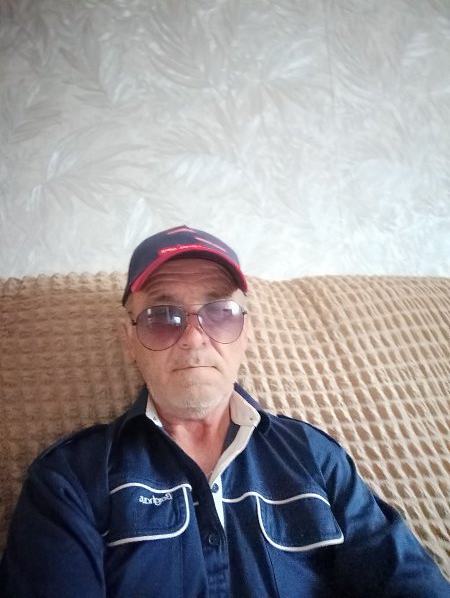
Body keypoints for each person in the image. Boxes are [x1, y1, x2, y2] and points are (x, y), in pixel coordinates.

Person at [0, 225, 448, 598]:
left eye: (220, 313)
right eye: (162, 316)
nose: (194, 338)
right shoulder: (70, 480)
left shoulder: (316, 458)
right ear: (129, 339)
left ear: (246, 332)